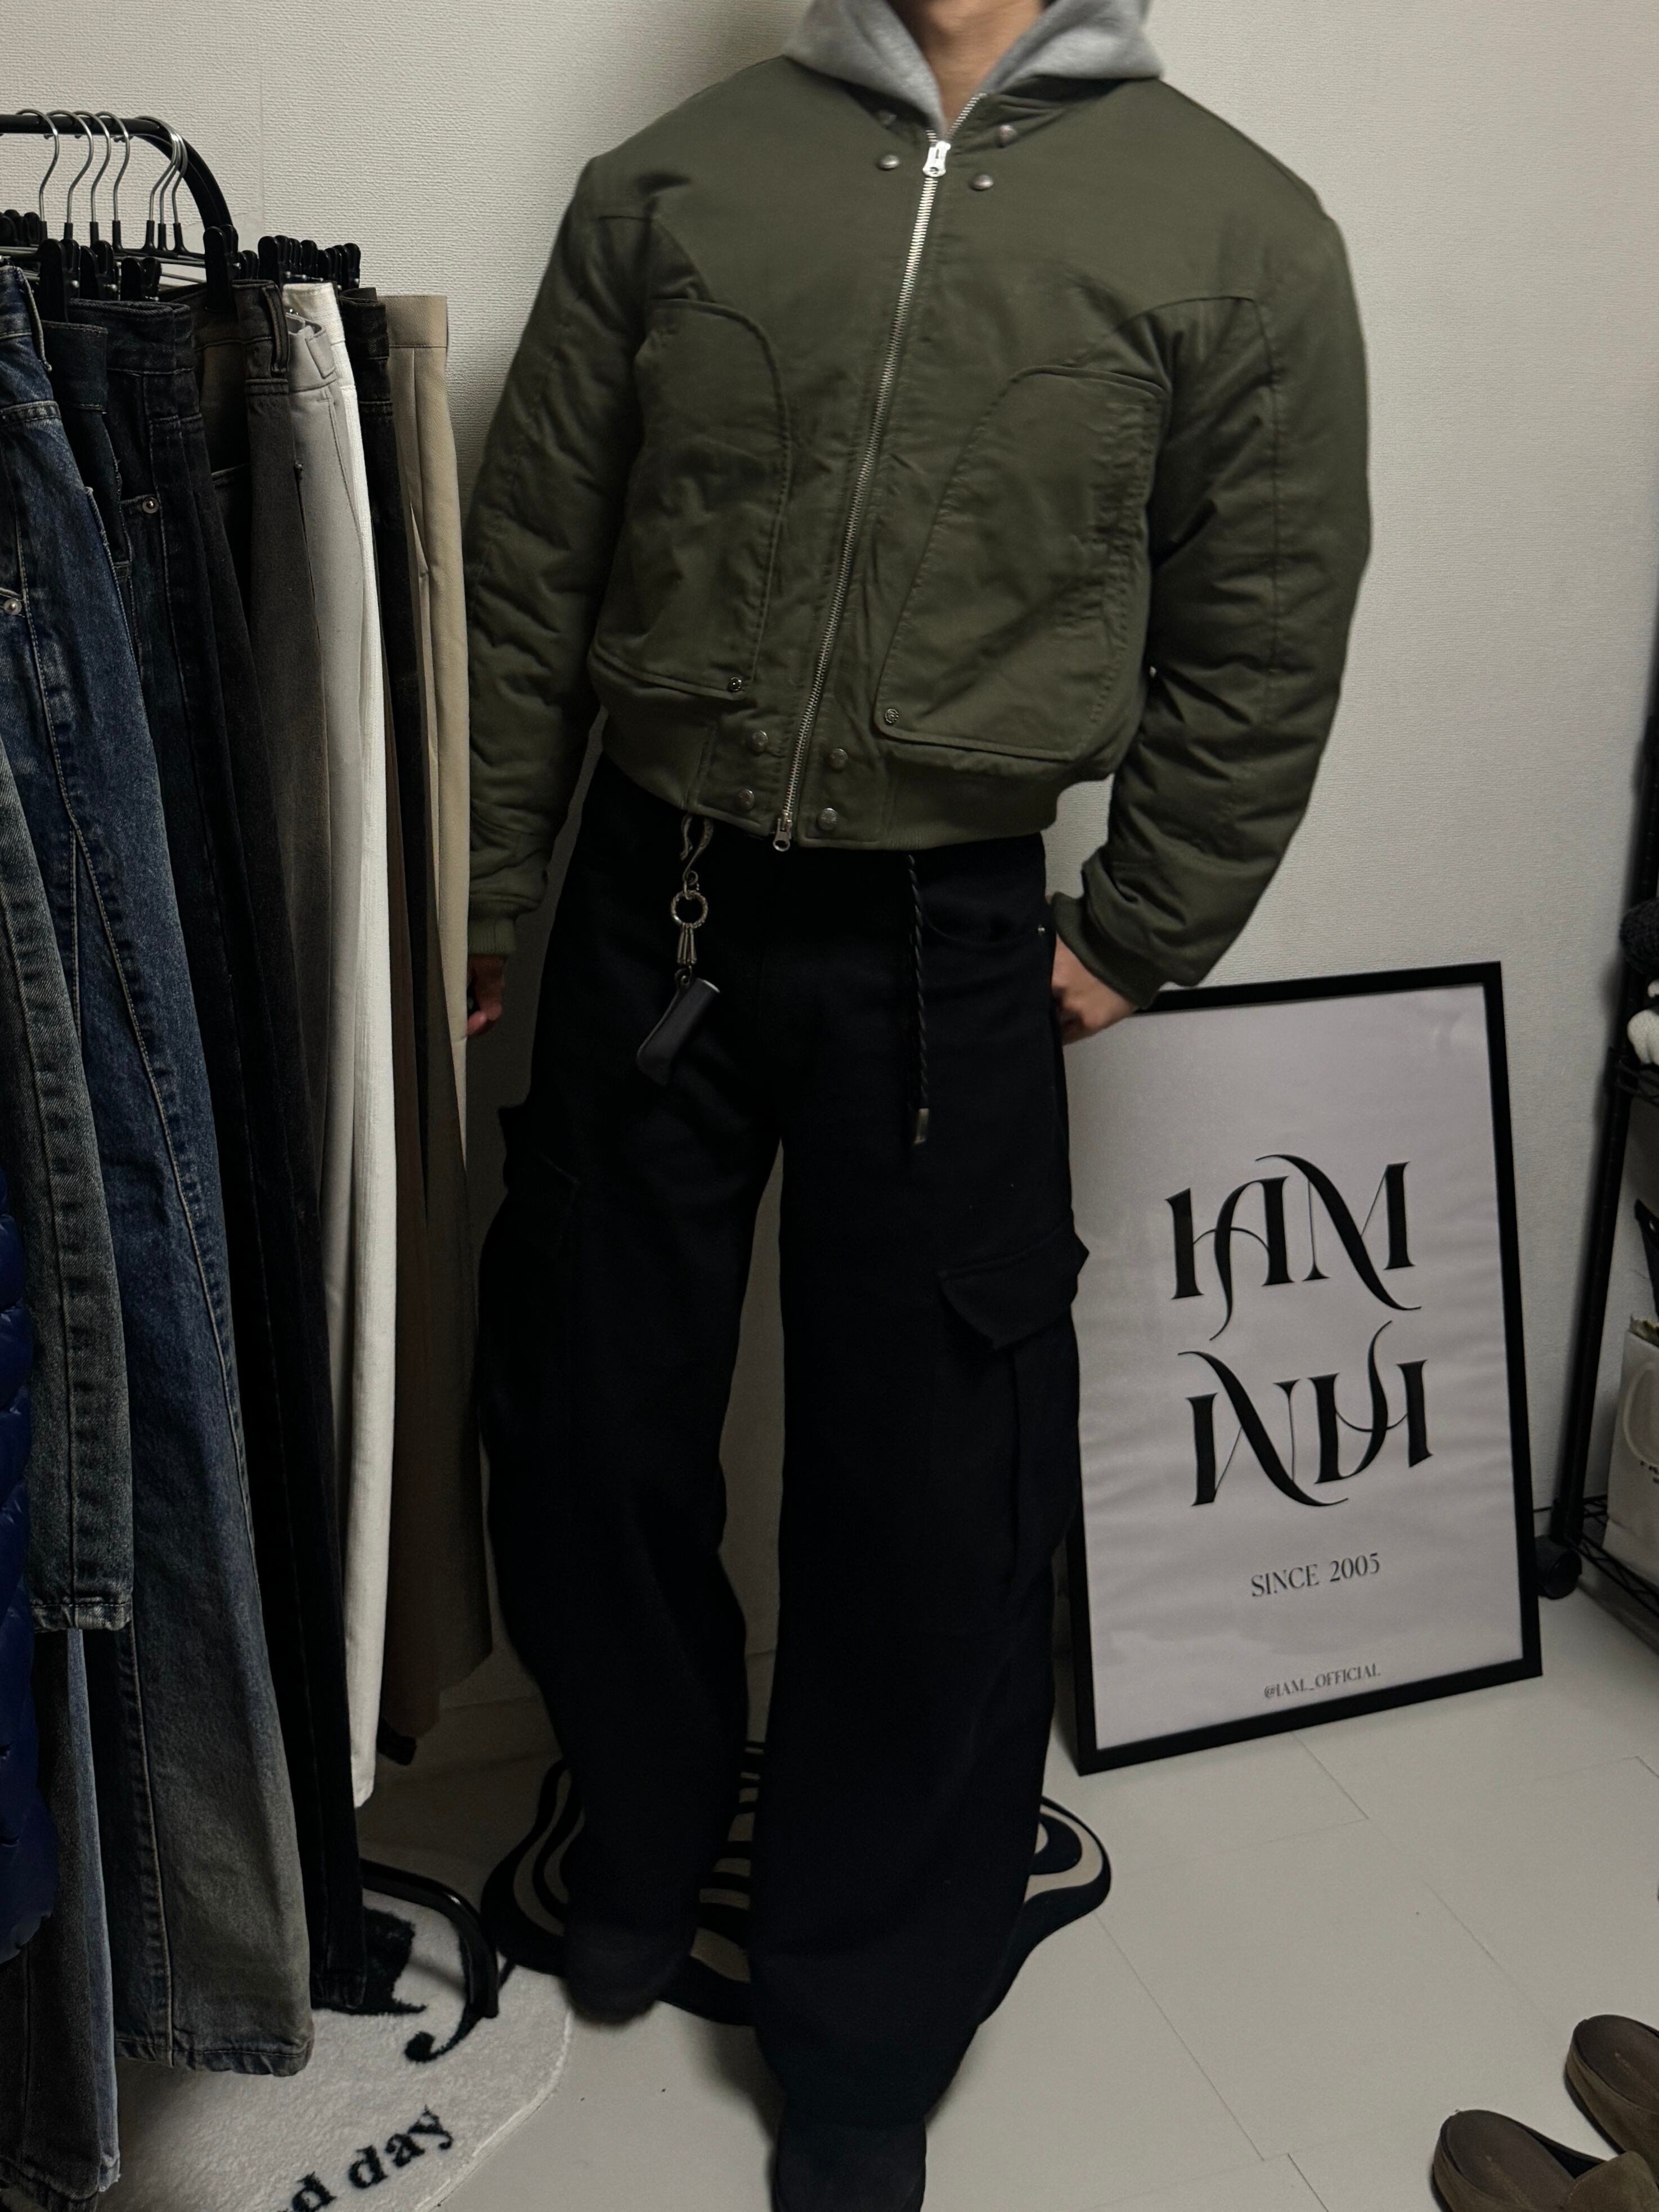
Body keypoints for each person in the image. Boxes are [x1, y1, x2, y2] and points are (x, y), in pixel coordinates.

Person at [464, 0, 1369, 2204]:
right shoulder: (672, 186)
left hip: (950, 933)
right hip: (652, 899)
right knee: (582, 1404)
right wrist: (481, 886)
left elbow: (1263, 616)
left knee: (930, 1491)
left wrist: (1139, 923)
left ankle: (864, 2010)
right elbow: (527, 572)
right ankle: (641, 1822)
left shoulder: (1237, 232)